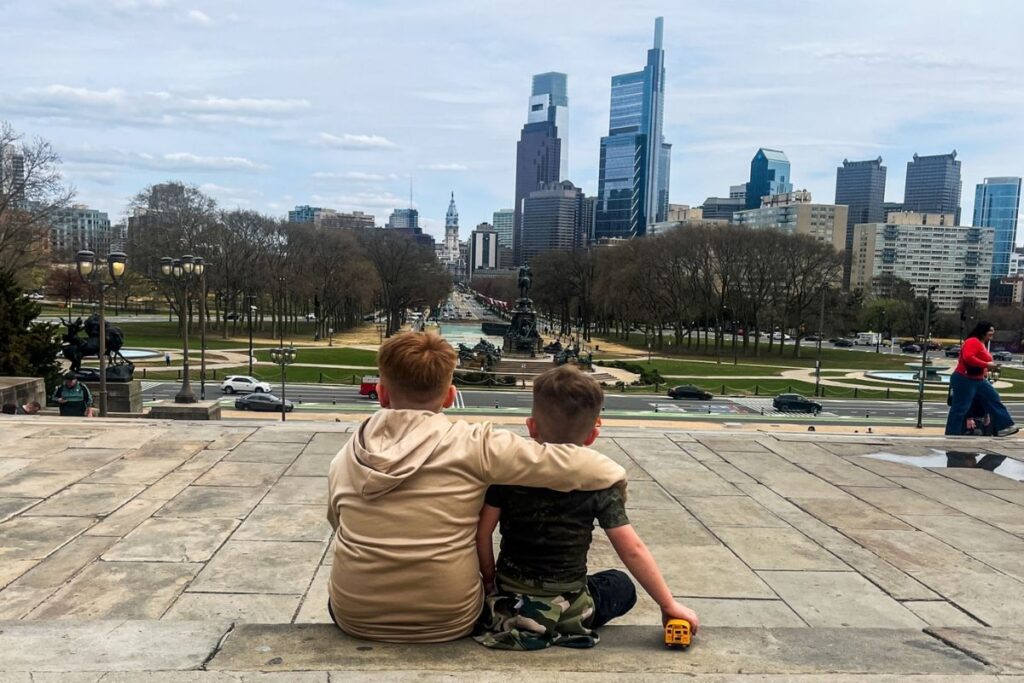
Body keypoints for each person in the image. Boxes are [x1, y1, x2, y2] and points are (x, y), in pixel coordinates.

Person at [326, 332, 627, 643]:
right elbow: (566, 462)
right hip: (451, 618)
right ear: (449, 395)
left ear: (381, 393)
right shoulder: (476, 445)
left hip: (356, 617)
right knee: (617, 585)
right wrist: (617, 477)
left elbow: (339, 525)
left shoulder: (345, 456)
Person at [474, 366, 698, 650]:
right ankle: (565, 618)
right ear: (593, 434)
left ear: (532, 428)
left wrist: (491, 580)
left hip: (508, 596)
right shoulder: (599, 482)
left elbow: (482, 535)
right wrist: (669, 604)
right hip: (571, 604)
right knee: (620, 585)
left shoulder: (508, 475)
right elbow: (632, 549)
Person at [945, 321, 1018, 437]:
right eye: (989, 333)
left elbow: (975, 360)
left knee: (993, 398)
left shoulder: (980, 343)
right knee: (960, 408)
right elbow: (968, 357)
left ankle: (1005, 426)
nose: (991, 336)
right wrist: (987, 365)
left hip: (977, 379)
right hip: (964, 378)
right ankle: (952, 434)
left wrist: (986, 367)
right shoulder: (973, 341)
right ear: (982, 332)